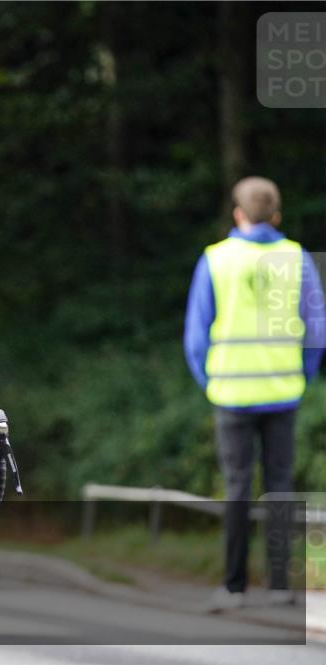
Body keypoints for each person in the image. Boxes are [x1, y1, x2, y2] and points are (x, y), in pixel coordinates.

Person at [184, 176, 324, 611]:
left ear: (238, 214)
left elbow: (195, 336)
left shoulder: (216, 260)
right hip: (283, 393)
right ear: (277, 215)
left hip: (231, 395)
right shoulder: (297, 257)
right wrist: (302, 376)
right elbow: (316, 331)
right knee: (281, 485)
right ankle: (281, 585)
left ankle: (234, 587)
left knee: (237, 488)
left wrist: (212, 382)